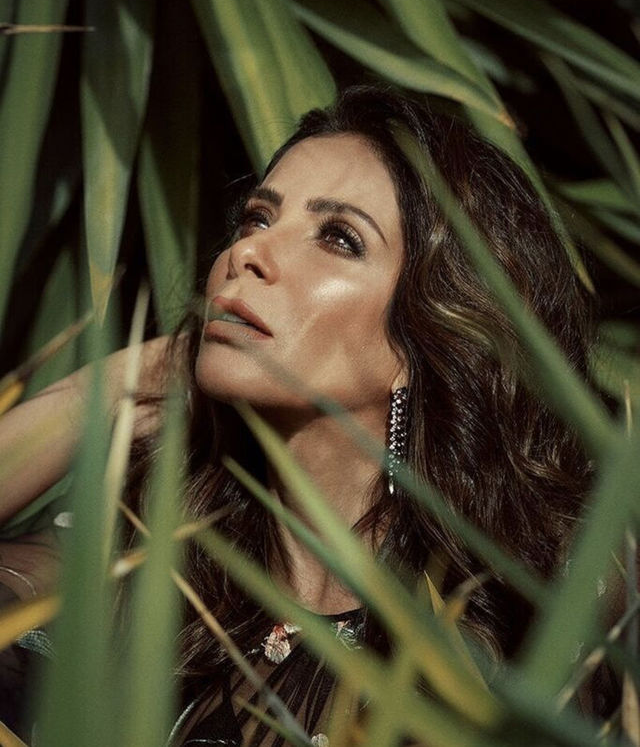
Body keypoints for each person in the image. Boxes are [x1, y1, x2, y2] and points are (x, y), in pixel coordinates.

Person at [0, 84, 612, 744]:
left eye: (339, 238)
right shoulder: (140, 574)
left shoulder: (513, 634)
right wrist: (114, 388)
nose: (247, 253)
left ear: (433, 334)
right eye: (258, 218)